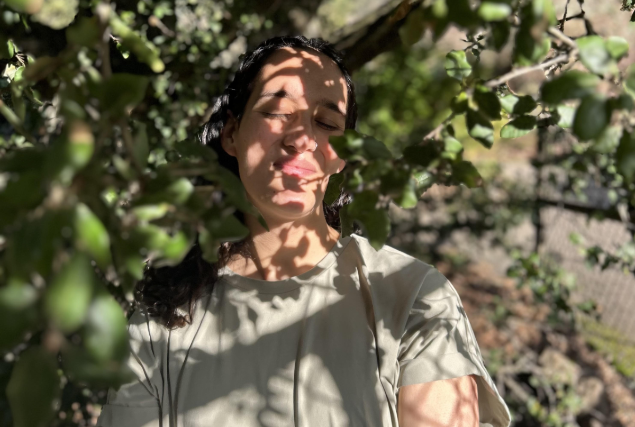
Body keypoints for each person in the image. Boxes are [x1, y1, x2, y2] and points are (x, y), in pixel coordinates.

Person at [97, 36, 511, 427]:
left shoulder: (414, 297)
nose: (302, 138)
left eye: (327, 123)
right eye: (278, 112)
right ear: (231, 133)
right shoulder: (163, 314)